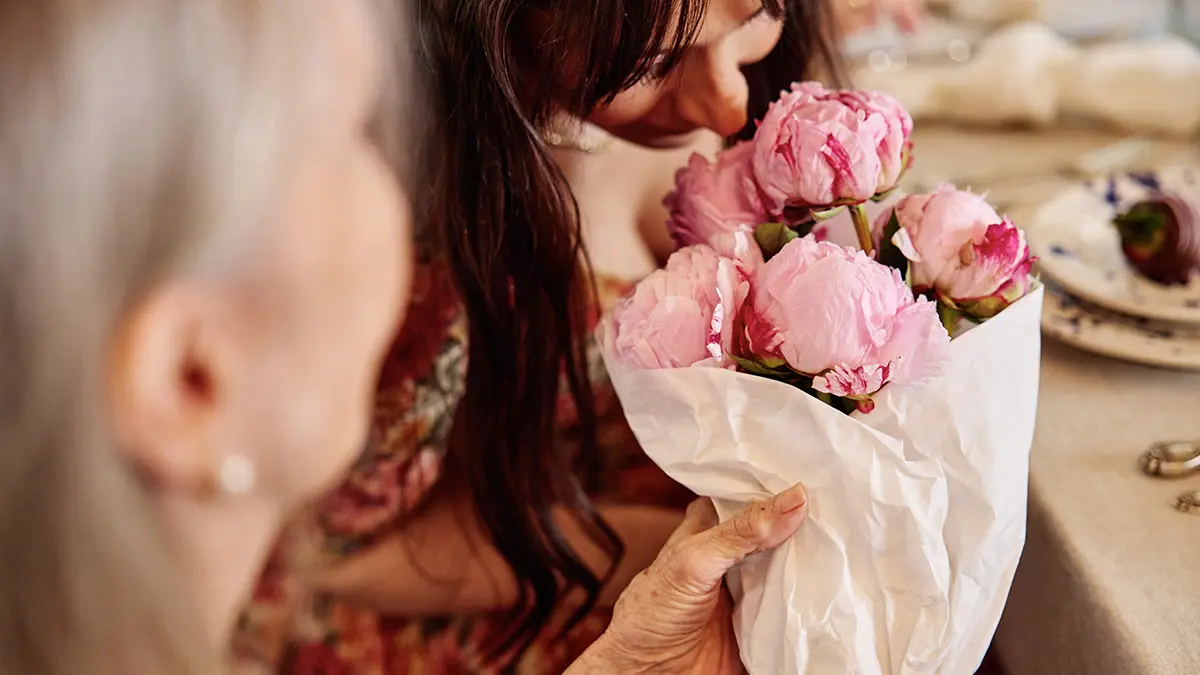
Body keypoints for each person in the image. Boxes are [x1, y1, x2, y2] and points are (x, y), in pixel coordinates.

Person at [0, 2, 815, 675]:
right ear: (191, 376)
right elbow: (341, 547)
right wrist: (630, 545)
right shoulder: (460, 243)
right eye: (358, 130)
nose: (402, 177)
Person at [231, 1, 848, 673]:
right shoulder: (423, 247)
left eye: (761, 13)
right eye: (653, 63)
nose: (728, 105)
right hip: (516, 580)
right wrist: (654, 548)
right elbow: (335, 553)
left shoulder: (748, 104)